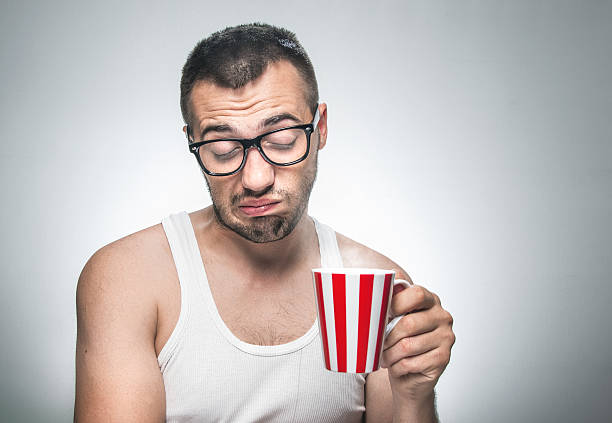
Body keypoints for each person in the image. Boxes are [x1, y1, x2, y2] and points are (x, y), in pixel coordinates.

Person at [74, 23, 455, 422]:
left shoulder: (379, 285)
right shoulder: (128, 278)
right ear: (191, 144)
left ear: (319, 128)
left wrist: (414, 395)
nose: (256, 179)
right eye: (222, 148)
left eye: (282, 138)